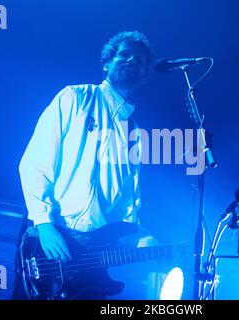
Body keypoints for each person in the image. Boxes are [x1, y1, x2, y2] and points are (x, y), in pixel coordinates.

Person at [18, 31, 155, 265]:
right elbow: (34, 163)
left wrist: (142, 238)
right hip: (50, 236)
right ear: (106, 64)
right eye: (124, 55)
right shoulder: (75, 97)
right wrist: (43, 223)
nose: (132, 60)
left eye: (139, 61)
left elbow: (127, 205)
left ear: (144, 76)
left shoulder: (134, 134)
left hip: (92, 255)